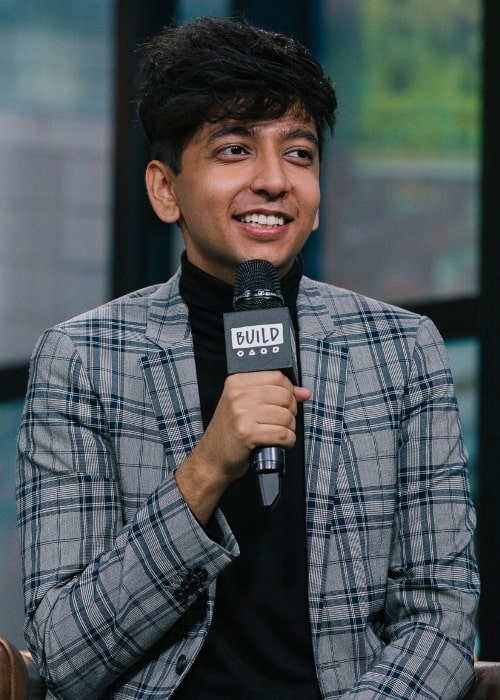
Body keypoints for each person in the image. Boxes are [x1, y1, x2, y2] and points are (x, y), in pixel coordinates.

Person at [16, 15, 479, 700]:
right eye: (234, 151)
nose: (273, 181)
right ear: (164, 190)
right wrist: (207, 468)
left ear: (318, 199)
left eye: (298, 154)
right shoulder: (82, 359)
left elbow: (441, 620)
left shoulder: (401, 349)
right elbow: (64, 656)